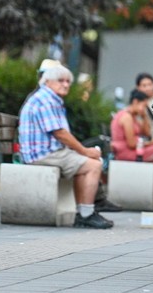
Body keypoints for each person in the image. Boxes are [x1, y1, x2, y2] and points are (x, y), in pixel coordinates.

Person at [18, 64, 113, 229]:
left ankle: (85, 212)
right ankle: (86, 215)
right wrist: (84, 151)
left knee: (85, 163)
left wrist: (82, 153)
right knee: (93, 165)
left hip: (48, 152)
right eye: (60, 80)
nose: (66, 84)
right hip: (43, 154)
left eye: (68, 81)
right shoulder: (45, 99)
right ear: (47, 82)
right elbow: (60, 133)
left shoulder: (49, 98)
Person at [110, 89, 153, 162]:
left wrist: (144, 117)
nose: (144, 109)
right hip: (126, 152)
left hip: (134, 150)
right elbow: (132, 144)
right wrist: (150, 144)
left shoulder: (133, 116)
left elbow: (146, 133)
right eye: (144, 106)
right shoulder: (127, 117)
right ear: (135, 102)